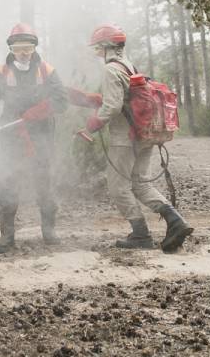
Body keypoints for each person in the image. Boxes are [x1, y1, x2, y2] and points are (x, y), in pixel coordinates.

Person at [78, 23, 193, 252]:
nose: (97, 52)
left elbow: (112, 107)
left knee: (118, 187)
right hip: (144, 134)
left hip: (125, 138)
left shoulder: (110, 69)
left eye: (97, 48)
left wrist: (91, 125)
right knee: (140, 183)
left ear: (106, 46)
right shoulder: (128, 65)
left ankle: (140, 235)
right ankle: (175, 221)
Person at [0, 23, 68, 252]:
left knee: (45, 182)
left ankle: (49, 231)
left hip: (41, 135)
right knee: (8, 182)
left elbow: (61, 100)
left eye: (28, 47)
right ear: (11, 48)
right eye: (18, 47)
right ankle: (7, 235)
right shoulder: (0, 73)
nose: (23, 52)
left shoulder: (47, 71)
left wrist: (38, 112)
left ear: (34, 47)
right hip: (10, 137)